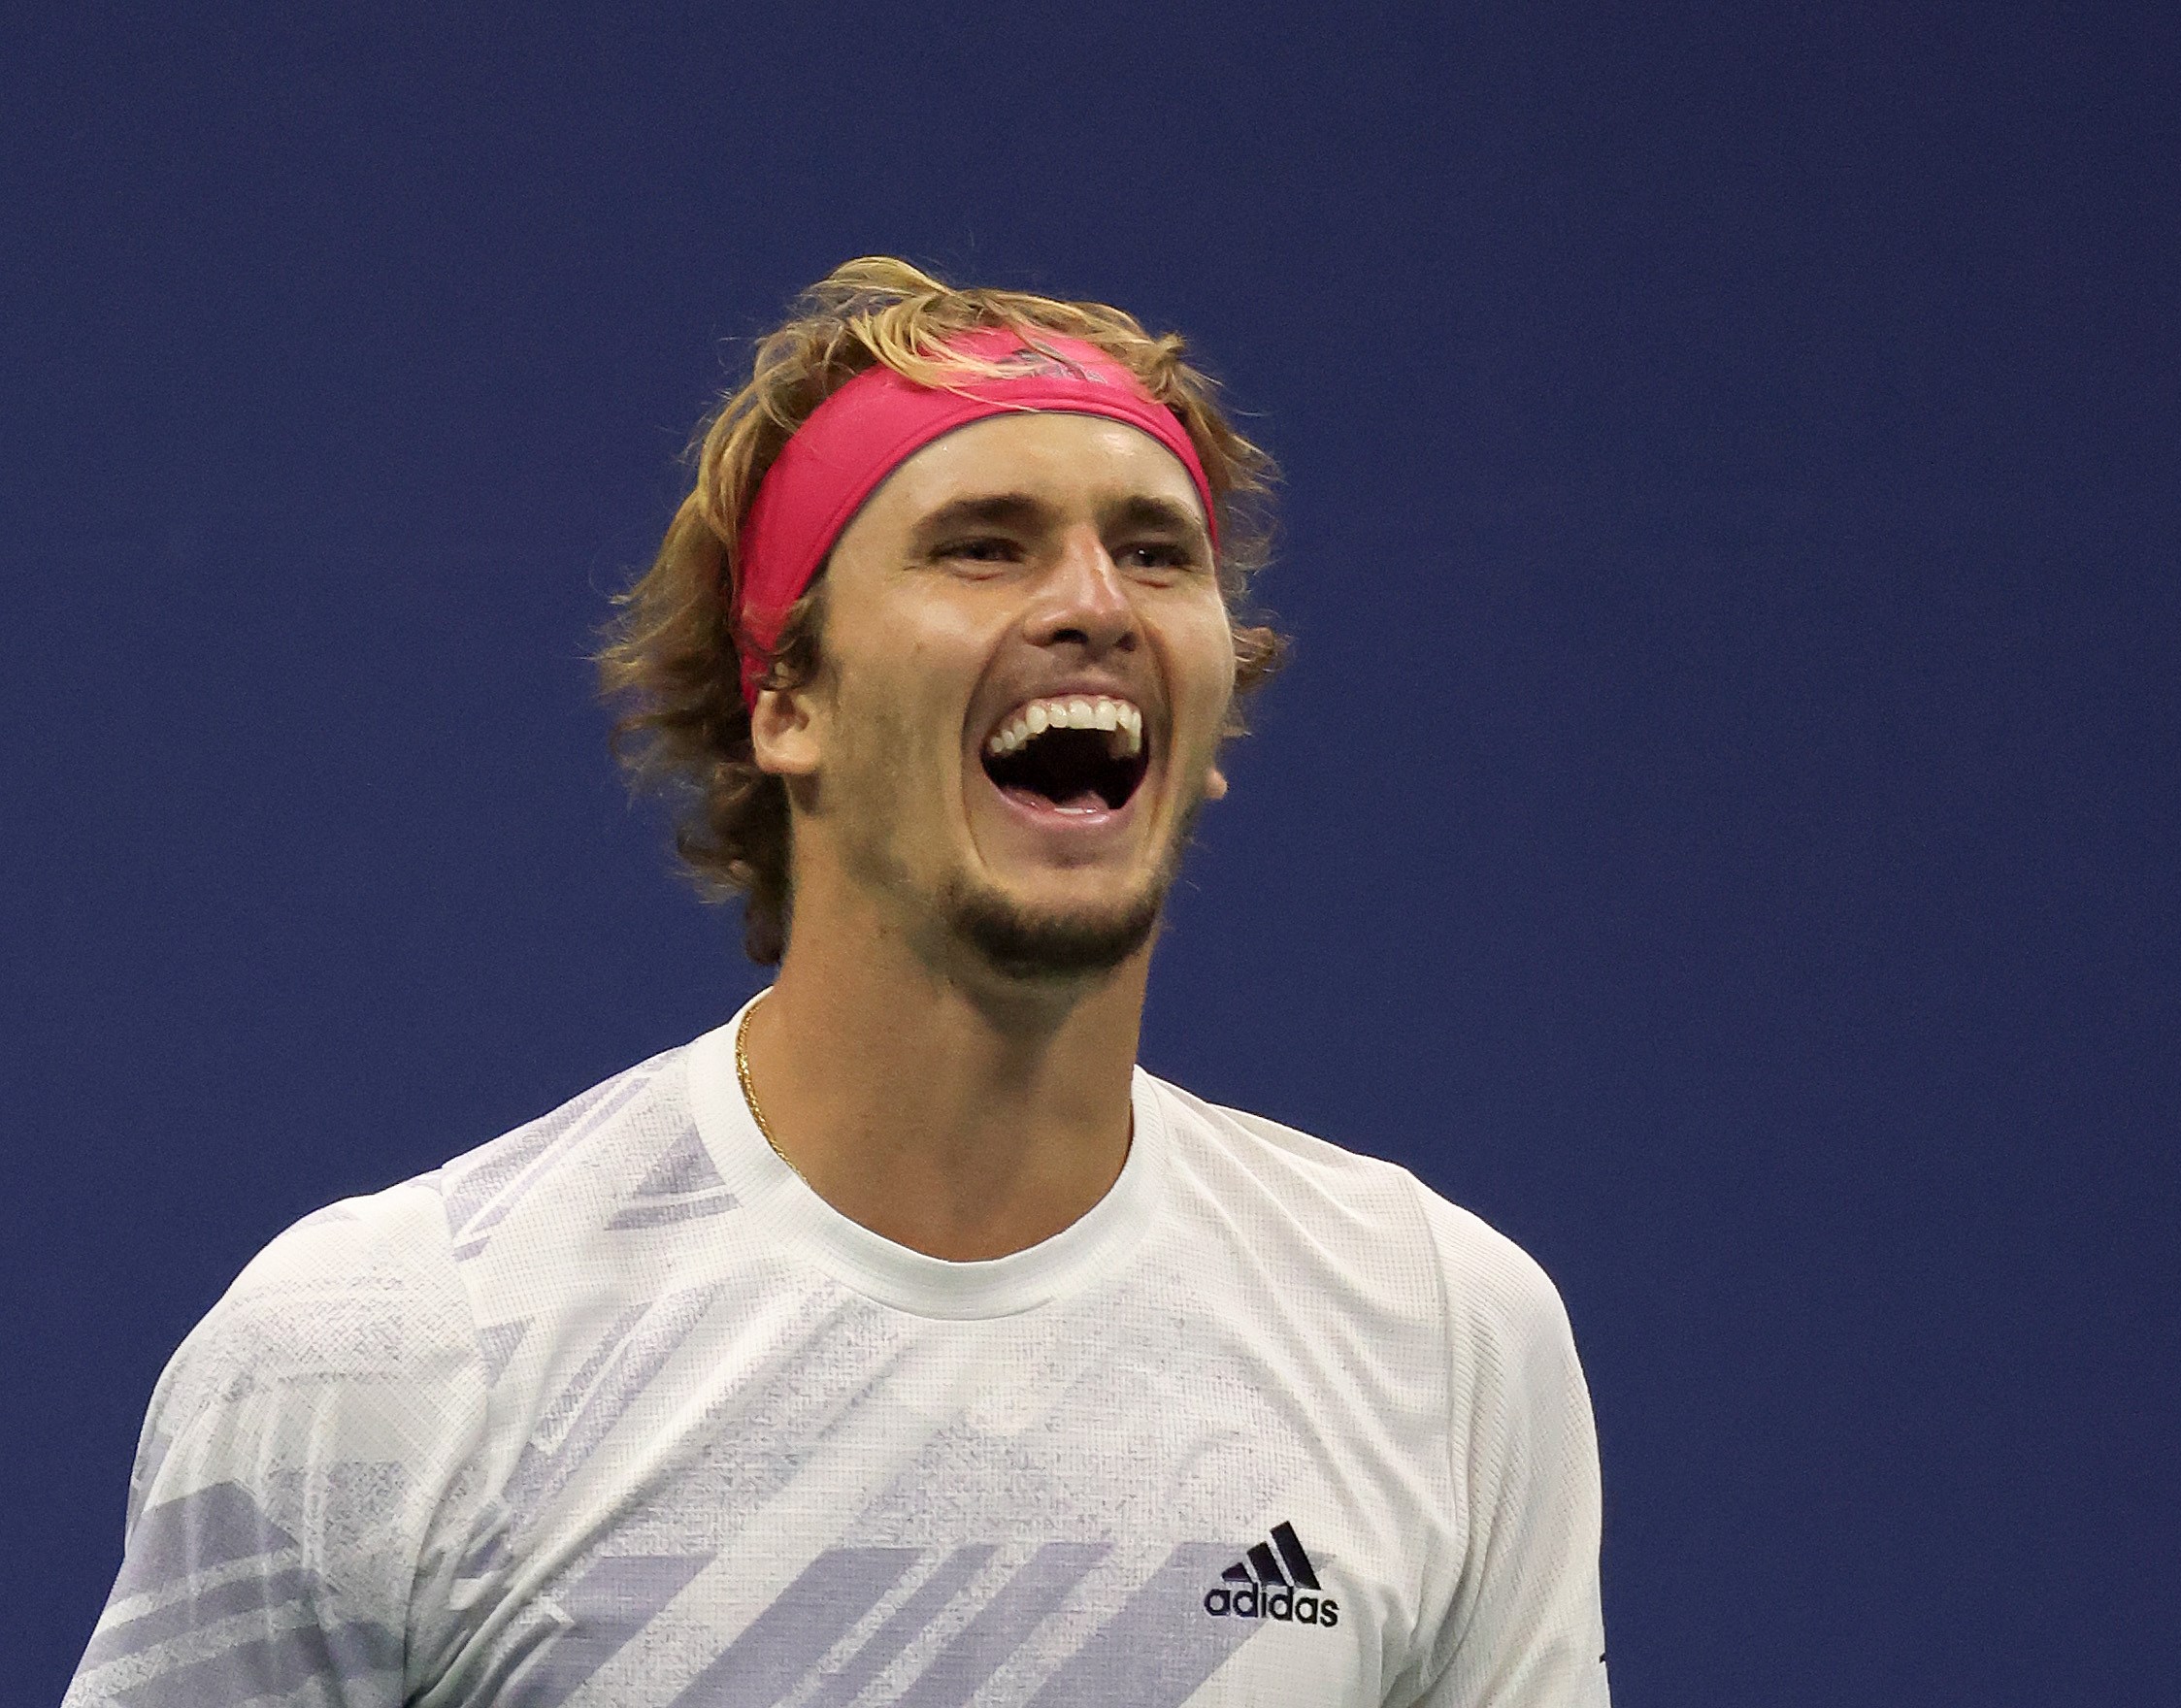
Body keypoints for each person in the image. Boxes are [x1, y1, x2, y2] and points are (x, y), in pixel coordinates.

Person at [67, 258, 1608, 1707]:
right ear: (783, 699)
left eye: (1155, 552)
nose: (1098, 603)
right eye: (984, 543)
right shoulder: (385, 1345)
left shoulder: (1442, 1336)